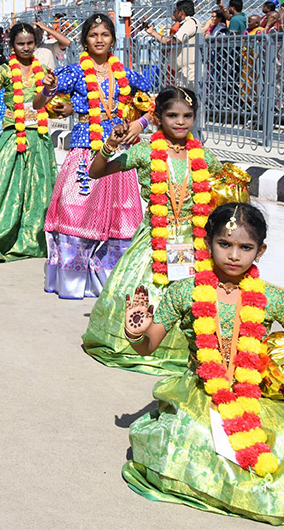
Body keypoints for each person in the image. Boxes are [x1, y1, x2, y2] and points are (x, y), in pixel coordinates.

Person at [120, 203, 283, 522]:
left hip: (250, 395)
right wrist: (135, 333)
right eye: (225, 244)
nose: (234, 255)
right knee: (192, 435)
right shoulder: (184, 293)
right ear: (207, 244)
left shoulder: (272, 297)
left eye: (245, 247)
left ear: (260, 251)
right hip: (199, 392)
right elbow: (148, 345)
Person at [80, 87, 220, 374]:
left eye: (187, 116)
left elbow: (225, 188)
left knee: (193, 297)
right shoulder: (145, 152)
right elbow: (96, 172)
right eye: (172, 115)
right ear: (156, 118)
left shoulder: (203, 156)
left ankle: (193, 349)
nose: (180, 122)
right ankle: (141, 343)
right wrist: (109, 146)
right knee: (148, 292)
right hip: (153, 240)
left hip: (194, 240)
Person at [44, 13, 154, 299]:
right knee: (75, 207)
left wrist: (137, 124)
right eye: (93, 35)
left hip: (118, 152)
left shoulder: (126, 74)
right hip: (85, 146)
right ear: (84, 40)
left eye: (105, 35)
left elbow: (153, 105)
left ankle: (113, 279)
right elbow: (42, 100)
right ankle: (72, 278)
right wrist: (47, 87)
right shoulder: (74, 72)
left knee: (119, 216)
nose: (99, 40)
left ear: (113, 40)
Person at [0, 23, 56, 263]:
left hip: (39, 138)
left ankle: (33, 240)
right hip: (12, 135)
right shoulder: (4, 71)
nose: (25, 48)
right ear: (12, 45)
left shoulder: (43, 70)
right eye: (20, 43)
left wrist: (48, 89)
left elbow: (42, 104)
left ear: (36, 43)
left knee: (39, 192)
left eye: (30, 43)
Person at [145, 0, 199, 86]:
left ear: (181, 12)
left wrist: (156, 35)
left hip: (189, 71)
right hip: (182, 70)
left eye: (175, 11)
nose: (173, 13)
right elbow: (170, 40)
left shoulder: (190, 22)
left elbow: (175, 41)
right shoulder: (185, 23)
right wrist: (153, 32)